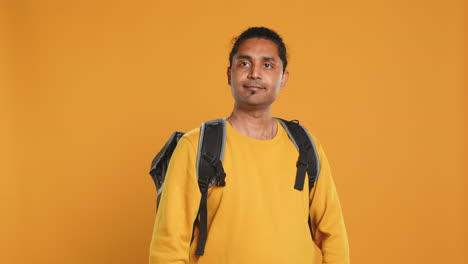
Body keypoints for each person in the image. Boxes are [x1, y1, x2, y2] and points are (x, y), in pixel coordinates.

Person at [148, 26, 350, 264]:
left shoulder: (305, 146)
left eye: (267, 65)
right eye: (244, 63)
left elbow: (333, 233)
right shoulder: (196, 146)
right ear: (229, 74)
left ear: (283, 77)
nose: (255, 73)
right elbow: (168, 245)